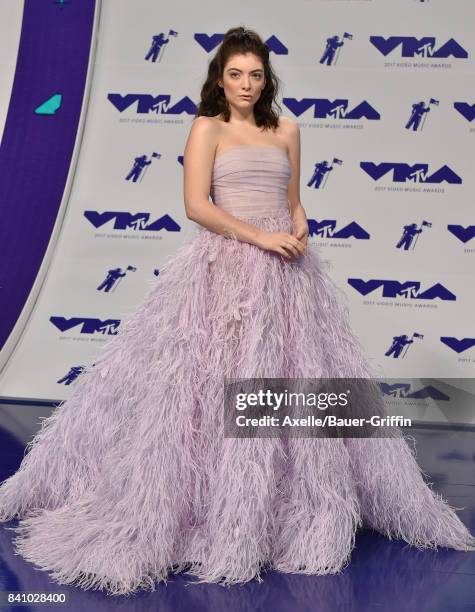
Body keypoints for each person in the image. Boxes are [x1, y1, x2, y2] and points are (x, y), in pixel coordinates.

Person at [0, 26, 473, 597]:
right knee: (208, 387)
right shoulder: (207, 128)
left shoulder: (288, 129)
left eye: (255, 75)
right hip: (225, 270)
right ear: (219, 79)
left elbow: (295, 199)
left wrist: (298, 225)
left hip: (288, 276)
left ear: (266, 78)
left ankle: (283, 506)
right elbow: (197, 205)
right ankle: (210, 503)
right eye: (235, 74)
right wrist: (259, 237)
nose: (246, 85)